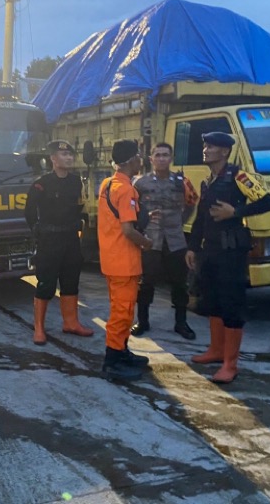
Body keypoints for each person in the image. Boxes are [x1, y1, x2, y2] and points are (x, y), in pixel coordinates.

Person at [186, 132, 270, 384]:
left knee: (232, 304)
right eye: (205, 145)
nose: (205, 149)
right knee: (212, 301)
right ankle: (215, 351)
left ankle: (230, 364)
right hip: (210, 251)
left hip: (232, 251)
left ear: (224, 152)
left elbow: (268, 202)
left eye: (210, 146)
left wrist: (235, 212)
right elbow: (201, 219)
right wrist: (193, 247)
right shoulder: (208, 181)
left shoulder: (239, 177)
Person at [24, 140, 93, 346]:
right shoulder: (42, 183)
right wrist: (36, 230)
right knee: (46, 283)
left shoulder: (75, 181)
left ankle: (71, 323)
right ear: (53, 159)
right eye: (64, 155)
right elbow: (29, 211)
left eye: (70, 154)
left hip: (71, 238)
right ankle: (39, 328)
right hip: (49, 240)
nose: (69, 158)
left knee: (71, 281)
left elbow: (80, 206)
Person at [97, 139, 154, 381]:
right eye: (139, 156)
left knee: (122, 309)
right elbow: (128, 231)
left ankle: (121, 351)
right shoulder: (127, 189)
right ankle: (112, 361)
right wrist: (147, 243)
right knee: (122, 313)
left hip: (111, 259)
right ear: (131, 160)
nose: (142, 160)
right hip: (124, 261)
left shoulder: (108, 183)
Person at [131, 143, 199, 340]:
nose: (161, 159)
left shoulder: (181, 182)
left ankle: (181, 323)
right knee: (146, 282)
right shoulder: (140, 183)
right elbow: (133, 208)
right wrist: (141, 226)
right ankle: (142, 321)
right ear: (151, 159)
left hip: (175, 240)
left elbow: (192, 202)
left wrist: (181, 221)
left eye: (165, 155)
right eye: (157, 155)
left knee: (179, 283)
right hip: (151, 240)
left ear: (171, 158)